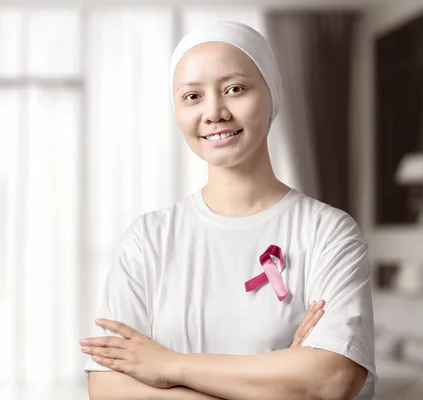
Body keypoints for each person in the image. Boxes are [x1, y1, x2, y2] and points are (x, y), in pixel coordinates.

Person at [80, 21, 376, 400]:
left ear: (272, 95)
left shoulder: (328, 232)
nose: (214, 112)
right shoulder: (148, 239)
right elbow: (108, 389)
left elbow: (331, 380)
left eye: (235, 89)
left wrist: (168, 365)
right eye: (192, 96)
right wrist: (283, 374)